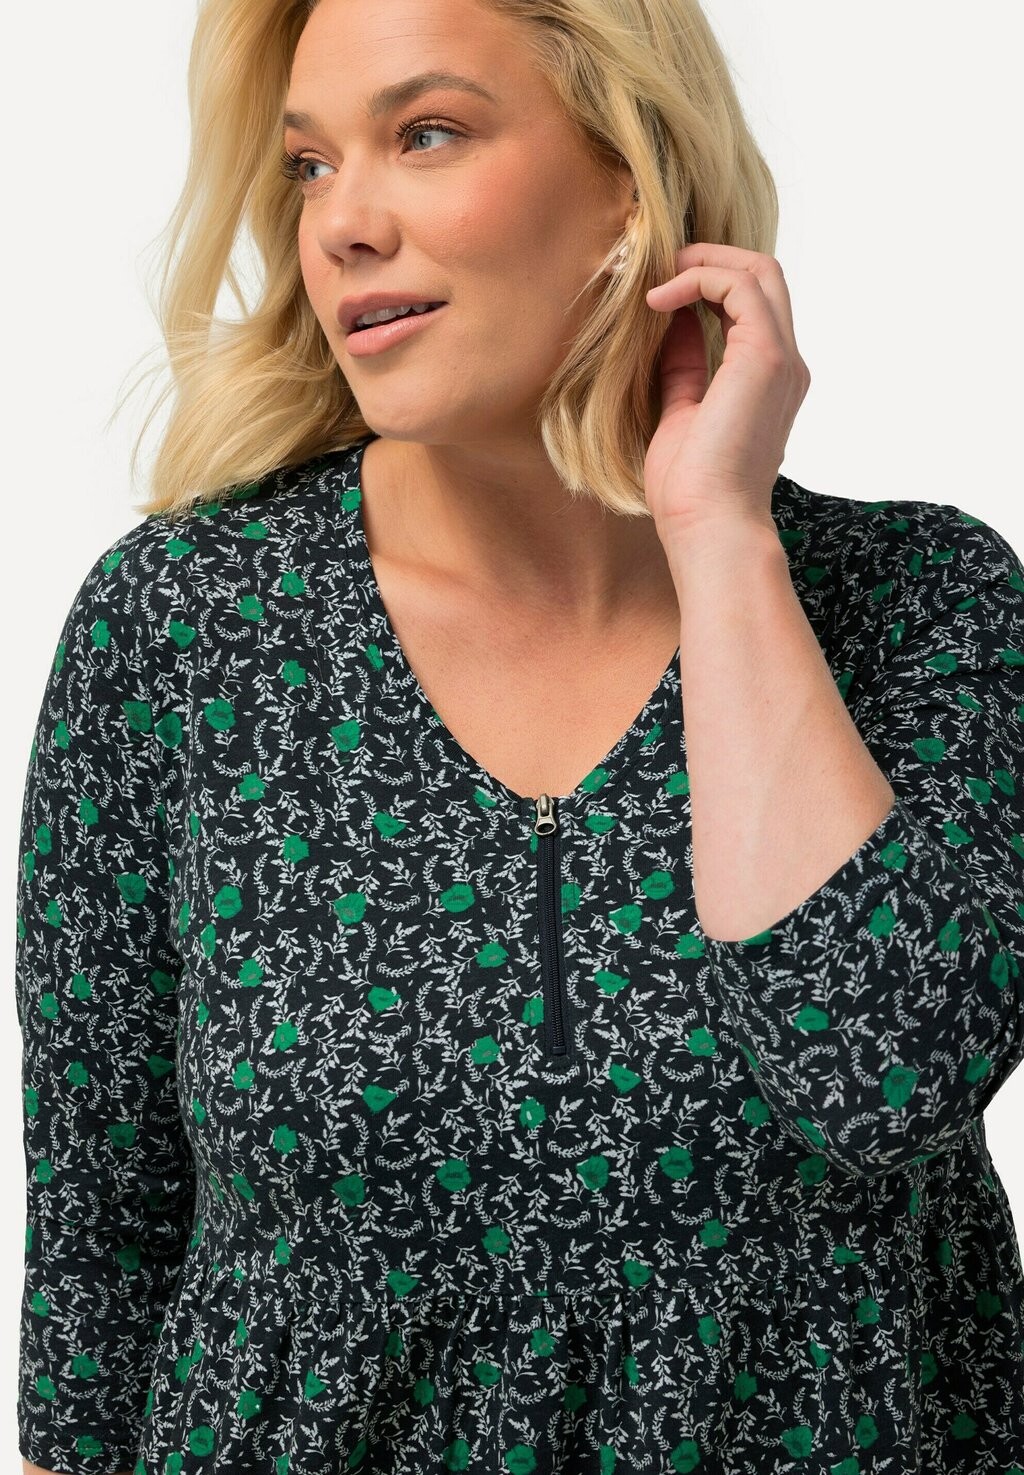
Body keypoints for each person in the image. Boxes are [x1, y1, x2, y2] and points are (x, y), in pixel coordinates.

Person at [15, 0, 1024, 1470]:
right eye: (308, 166)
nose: (342, 223)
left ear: (632, 181)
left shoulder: (922, 600)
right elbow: (96, 1287)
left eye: (426, 135)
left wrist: (720, 536)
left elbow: (877, 1082)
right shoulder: (178, 628)